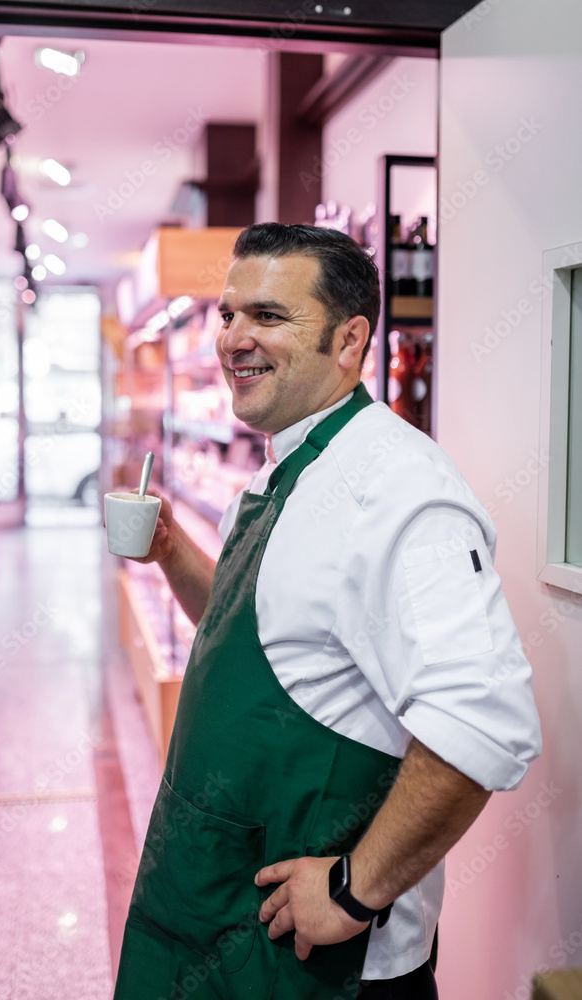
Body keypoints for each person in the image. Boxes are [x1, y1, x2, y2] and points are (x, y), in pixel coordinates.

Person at [113, 223, 542, 1000]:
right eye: (228, 314)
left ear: (349, 341)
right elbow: (256, 635)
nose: (233, 338)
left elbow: (484, 722)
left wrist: (351, 890)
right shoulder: (282, 466)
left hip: (320, 965)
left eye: (268, 316)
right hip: (224, 912)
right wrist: (174, 552)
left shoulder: (401, 491)